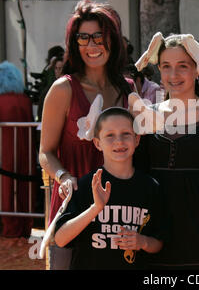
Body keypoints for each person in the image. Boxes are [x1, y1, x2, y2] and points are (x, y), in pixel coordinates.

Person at [39, 0, 134, 269]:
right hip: (73, 209)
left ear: (113, 40)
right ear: (75, 43)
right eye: (83, 37)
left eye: (99, 37)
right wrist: (64, 177)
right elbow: (45, 152)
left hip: (120, 210)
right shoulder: (63, 89)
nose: (92, 45)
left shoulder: (129, 89)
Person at [132, 32, 199, 269]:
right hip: (155, 238)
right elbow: (137, 177)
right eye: (166, 66)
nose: (174, 74)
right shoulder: (146, 114)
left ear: (196, 69)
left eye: (182, 66)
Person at [54, 107, 164, 269]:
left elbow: (159, 242)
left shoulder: (150, 187)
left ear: (137, 140)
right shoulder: (85, 185)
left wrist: (143, 242)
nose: (119, 141)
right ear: (98, 143)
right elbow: (60, 239)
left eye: (126, 134)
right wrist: (95, 208)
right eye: (110, 135)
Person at [0, 61, 36, 238]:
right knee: (25, 188)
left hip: (5, 150)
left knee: (6, 188)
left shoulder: (1, 100)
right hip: (26, 148)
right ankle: (25, 225)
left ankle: (10, 226)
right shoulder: (25, 100)